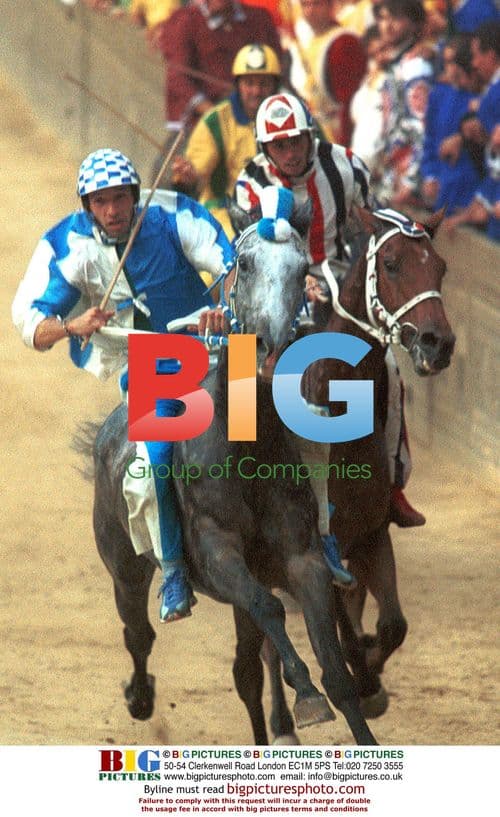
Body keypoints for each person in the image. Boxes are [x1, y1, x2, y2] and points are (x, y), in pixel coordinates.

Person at [11, 148, 234, 624]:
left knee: (284, 418)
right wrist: (74, 326)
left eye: (119, 199)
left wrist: (225, 306)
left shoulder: (173, 214)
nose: (112, 210)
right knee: (153, 460)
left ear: (135, 197)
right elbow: (31, 326)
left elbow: (229, 262)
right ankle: (174, 569)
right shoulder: (67, 246)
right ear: (86, 205)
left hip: (216, 347)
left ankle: (325, 531)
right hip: (153, 366)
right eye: (100, 202)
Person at [235, 92, 426, 586]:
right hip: (275, 292)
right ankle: (238, 494)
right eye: (279, 146)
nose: (291, 153)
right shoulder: (248, 184)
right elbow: (246, 252)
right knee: (240, 369)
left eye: (297, 141)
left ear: (310, 137)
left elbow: (378, 224)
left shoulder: (347, 167)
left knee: (386, 369)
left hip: (345, 288)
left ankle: (391, 481)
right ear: (265, 149)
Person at [171, 43, 282, 236]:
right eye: (250, 83)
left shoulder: (291, 115)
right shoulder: (215, 122)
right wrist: (188, 178)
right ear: (238, 85)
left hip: (282, 211)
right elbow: (195, 175)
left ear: (275, 86)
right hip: (225, 212)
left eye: (263, 84)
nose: (256, 91)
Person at [156, 0, 282, 134]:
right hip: (200, 123)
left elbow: (278, 69)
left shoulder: (259, 18)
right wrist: (216, 115)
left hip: (255, 117)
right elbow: (177, 78)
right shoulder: (183, 21)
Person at [373, 0, 435, 207]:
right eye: (383, 18)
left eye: (397, 18)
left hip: (407, 180)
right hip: (390, 173)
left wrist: (411, 182)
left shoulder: (416, 66)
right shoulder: (394, 64)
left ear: (416, 24)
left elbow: (420, 129)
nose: (388, 25)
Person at [420, 33, 483, 214]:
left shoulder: (481, 98)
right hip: (443, 191)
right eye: (447, 62)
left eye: (456, 62)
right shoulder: (439, 94)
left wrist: (463, 138)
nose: (451, 69)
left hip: (471, 194)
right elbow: (430, 140)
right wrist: (430, 175)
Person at [295, 0, 367, 146]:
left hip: (337, 133)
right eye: (305, 5)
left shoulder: (343, 41)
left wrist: (346, 142)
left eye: (316, 4)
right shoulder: (310, 41)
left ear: (331, 5)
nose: (310, 11)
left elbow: (348, 100)